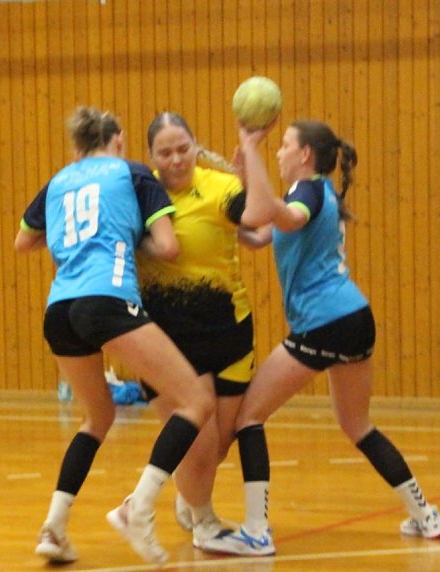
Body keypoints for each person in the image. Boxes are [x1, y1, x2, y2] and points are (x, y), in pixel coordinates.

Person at [202, 118, 440, 556]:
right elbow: (259, 232)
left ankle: (257, 531)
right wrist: (227, 210)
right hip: (352, 317)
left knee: (247, 417)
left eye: (283, 145)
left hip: (324, 321)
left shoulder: (310, 191)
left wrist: (250, 153)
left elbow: (283, 217)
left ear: (305, 155)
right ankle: (425, 514)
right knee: (357, 425)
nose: (278, 152)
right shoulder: (315, 192)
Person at [14, 106, 214, 566]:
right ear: (119, 140)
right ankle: (138, 509)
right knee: (195, 401)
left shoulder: (59, 181)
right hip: (107, 299)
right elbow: (168, 246)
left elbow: (23, 241)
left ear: (78, 146)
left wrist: (73, 239)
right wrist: (125, 233)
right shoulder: (134, 173)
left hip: (60, 309)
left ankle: (54, 527)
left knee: (97, 417)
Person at [129, 111, 257, 550]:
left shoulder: (221, 186)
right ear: (151, 157)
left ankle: (191, 499)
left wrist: (249, 173)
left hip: (229, 331)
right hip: (169, 342)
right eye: (165, 152)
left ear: (196, 145)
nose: (177, 159)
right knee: (198, 448)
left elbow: (256, 223)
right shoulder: (140, 195)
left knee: (218, 445)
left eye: (184, 148)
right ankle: (205, 520)